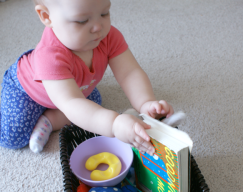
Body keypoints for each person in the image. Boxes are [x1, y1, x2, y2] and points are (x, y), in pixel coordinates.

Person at [0, 0, 174, 154]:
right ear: (47, 16)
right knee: (13, 137)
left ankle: (50, 120)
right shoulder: (49, 56)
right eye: (81, 20)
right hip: (25, 90)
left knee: (94, 101)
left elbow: (130, 73)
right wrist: (114, 124)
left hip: (73, 90)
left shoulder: (109, 36)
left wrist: (145, 102)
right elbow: (71, 103)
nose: (98, 26)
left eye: (104, 13)